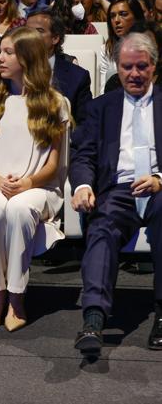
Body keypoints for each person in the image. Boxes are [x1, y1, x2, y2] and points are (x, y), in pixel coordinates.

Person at [0, 26, 69, 332]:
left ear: (28, 58)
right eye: (1, 52)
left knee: (20, 209)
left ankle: (17, 297)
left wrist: (26, 183)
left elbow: (53, 165)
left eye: (8, 52)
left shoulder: (54, 103)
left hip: (38, 187)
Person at [70, 32, 162, 353]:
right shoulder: (101, 108)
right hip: (118, 189)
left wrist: (159, 178)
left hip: (158, 186)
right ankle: (94, 318)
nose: (134, 74)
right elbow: (83, 154)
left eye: (141, 66)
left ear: (154, 67)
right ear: (117, 69)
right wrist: (82, 186)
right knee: (102, 226)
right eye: (127, 67)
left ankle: (161, 313)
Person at [26, 9, 92, 124]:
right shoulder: (12, 70)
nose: (31, 36)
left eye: (39, 31)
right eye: (27, 31)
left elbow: (85, 125)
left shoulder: (77, 77)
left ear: (55, 38)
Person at [100, 0, 145, 94]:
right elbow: (103, 90)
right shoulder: (106, 49)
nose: (116, 20)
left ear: (136, 17)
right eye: (112, 16)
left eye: (123, 14)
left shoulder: (151, 47)